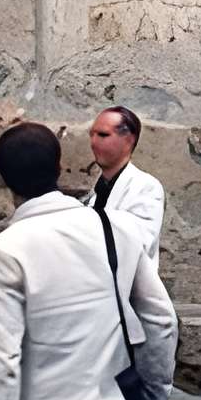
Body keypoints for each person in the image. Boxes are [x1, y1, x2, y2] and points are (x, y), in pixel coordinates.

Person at [0, 122, 175, 400]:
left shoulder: (3, 252)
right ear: (58, 166)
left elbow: (4, 365)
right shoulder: (118, 228)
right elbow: (161, 321)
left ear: (2, 179)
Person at [85, 108, 162, 276]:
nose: (93, 142)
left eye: (103, 135)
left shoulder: (146, 187)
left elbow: (138, 245)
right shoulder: (96, 191)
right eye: (92, 134)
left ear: (128, 140)